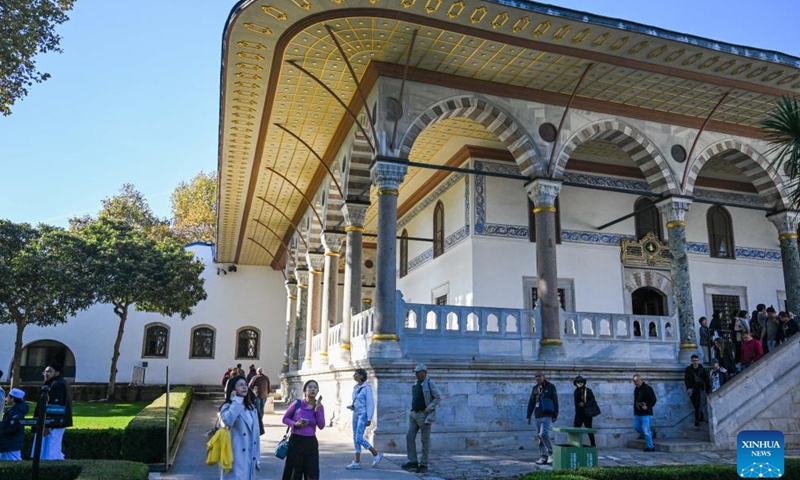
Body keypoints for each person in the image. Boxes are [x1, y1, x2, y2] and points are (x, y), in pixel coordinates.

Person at [219, 375, 261, 479]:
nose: (245, 387)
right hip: (235, 455)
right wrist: (235, 401)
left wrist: (257, 457)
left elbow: (256, 434)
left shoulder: (251, 408)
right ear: (233, 389)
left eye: (246, 385)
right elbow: (228, 421)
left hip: (250, 455)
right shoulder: (227, 407)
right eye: (240, 385)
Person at [282, 380, 325, 480]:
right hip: (296, 441)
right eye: (310, 387)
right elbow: (285, 419)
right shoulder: (297, 404)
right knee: (294, 472)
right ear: (305, 391)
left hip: (310, 442)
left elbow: (321, 426)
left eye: (315, 387)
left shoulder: (319, 407)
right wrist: (295, 424)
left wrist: (317, 411)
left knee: (311, 472)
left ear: (318, 391)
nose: (312, 389)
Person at [402, 364, 441, 474]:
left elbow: (438, 397)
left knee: (425, 440)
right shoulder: (416, 383)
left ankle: (424, 463)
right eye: (415, 372)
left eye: (418, 372)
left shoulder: (429, 382)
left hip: (424, 415)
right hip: (414, 414)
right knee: (409, 436)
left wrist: (428, 409)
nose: (416, 374)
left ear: (424, 372)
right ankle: (412, 461)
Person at [32, 363, 73, 460]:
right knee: (51, 448)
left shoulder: (57, 385)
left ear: (57, 373)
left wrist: (47, 424)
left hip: (54, 423)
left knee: (50, 450)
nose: (46, 374)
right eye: (45, 371)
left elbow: (55, 407)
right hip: (55, 422)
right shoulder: (57, 383)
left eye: (49, 371)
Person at [345, 368, 383, 470]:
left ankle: (375, 453)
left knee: (359, 437)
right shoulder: (356, 387)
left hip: (363, 415)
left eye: (356, 374)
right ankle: (356, 461)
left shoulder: (367, 388)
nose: (354, 375)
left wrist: (369, 417)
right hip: (355, 414)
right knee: (355, 438)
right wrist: (352, 406)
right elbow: (357, 401)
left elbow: (370, 403)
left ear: (361, 376)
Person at [526, 371, 559, 465]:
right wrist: (528, 416)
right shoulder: (535, 388)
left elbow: (555, 401)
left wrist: (555, 415)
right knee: (539, 436)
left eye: (539, 376)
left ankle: (551, 453)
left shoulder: (551, 387)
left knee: (543, 433)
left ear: (543, 376)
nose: (537, 378)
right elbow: (531, 402)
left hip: (547, 414)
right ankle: (543, 457)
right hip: (537, 414)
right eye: (536, 376)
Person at [0, 388, 29, 460]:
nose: (6, 398)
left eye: (8, 396)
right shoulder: (14, 410)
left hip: (11, 445)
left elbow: (12, 429)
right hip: (8, 445)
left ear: (12, 399)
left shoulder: (16, 413)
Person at [632, 374, 656, 452]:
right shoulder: (636, 389)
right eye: (634, 381)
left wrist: (647, 407)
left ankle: (651, 447)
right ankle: (651, 434)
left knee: (646, 431)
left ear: (640, 379)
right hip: (637, 413)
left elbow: (654, 400)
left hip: (646, 413)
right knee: (637, 427)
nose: (636, 383)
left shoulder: (648, 388)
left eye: (637, 381)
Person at [683, 354, 709, 427]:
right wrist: (688, 388)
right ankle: (701, 416)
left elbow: (706, 379)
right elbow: (686, 379)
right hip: (691, 389)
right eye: (694, 361)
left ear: (698, 361)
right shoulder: (688, 369)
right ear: (691, 361)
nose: (695, 362)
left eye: (696, 361)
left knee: (697, 404)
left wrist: (706, 389)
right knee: (695, 404)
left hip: (699, 388)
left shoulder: (702, 369)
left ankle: (697, 420)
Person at [571, 375, 596, 447]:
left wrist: (585, 404)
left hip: (587, 414)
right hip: (579, 414)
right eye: (578, 382)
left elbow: (593, 401)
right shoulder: (576, 391)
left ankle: (593, 445)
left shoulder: (588, 391)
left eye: (581, 382)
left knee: (589, 431)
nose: (579, 383)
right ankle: (575, 445)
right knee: (575, 430)